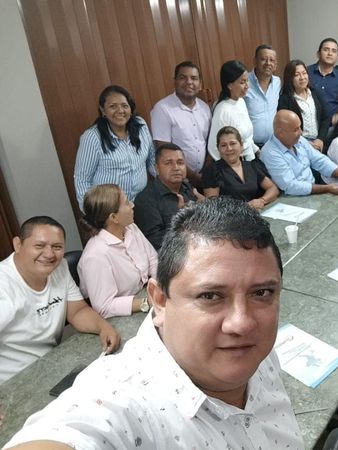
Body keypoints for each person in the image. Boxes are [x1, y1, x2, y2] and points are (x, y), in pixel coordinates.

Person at [4, 198, 303, 449]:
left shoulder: (256, 355)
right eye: (210, 296)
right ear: (159, 301)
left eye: (262, 293)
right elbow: (75, 428)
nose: (242, 324)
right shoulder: (124, 398)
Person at [0, 216, 120, 385]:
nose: (49, 254)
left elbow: (77, 311)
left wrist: (103, 327)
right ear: (18, 244)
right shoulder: (4, 285)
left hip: (52, 365)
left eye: (57, 247)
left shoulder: (60, 267)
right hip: (15, 382)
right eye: (39, 246)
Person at [78, 184, 158, 318]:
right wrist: (146, 303)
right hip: (121, 316)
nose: (132, 205)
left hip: (146, 293)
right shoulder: (95, 255)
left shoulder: (131, 228)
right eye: (126, 203)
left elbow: (153, 259)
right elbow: (104, 307)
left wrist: (157, 285)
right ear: (114, 217)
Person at [74, 85, 155, 209]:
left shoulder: (140, 126)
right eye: (113, 106)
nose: (120, 111)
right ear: (103, 110)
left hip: (142, 203)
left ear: (131, 109)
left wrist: (168, 183)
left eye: (125, 106)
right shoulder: (92, 137)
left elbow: (152, 160)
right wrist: (92, 212)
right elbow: (82, 180)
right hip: (110, 209)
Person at [260, 110, 338, 196]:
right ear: (280, 133)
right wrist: (327, 188)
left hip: (312, 191)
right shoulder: (270, 153)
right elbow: (290, 186)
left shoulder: (299, 140)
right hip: (289, 199)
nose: (301, 132)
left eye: (300, 127)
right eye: (296, 130)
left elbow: (319, 160)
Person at [150, 61, 212, 189]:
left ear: (200, 83)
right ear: (175, 82)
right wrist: (194, 177)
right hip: (177, 182)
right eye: (183, 77)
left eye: (194, 78)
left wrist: (205, 173)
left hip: (203, 177)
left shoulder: (204, 108)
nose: (189, 82)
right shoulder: (162, 109)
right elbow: (164, 150)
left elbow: (209, 143)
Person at [134, 143, 205, 249]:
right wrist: (182, 220)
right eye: (168, 163)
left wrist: (205, 208)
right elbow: (156, 243)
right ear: (157, 168)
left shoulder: (189, 189)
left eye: (180, 163)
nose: (176, 168)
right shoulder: (145, 200)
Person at [202, 126, 279, 209]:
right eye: (223, 145)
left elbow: (273, 188)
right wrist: (245, 207)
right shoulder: (212, 171)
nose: (229, 148)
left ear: (241, 145)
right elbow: (213, 205)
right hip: (231, 216)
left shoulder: (252, 166)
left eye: (233, 143)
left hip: (257, 212)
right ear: (218, 149)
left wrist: (262, 200)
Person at [208, 60, 257, 162]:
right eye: (242, 82)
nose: (247, 86)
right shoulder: (222, 110)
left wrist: (257, 151)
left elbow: (246, 138)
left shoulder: (241, 102)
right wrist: (232, 167)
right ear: (230, 85)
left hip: (250, 159)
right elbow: (213, 148)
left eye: (247, 81)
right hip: (236, 163)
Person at [278, 59, 329, 152]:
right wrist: (305, 143)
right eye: (297, 75)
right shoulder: (285, 99)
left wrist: (320, 139)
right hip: (297, 144)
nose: (302, 77)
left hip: (317, 142)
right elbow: (286, 128)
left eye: (304, 73)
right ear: (290, 78)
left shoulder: (315, 93)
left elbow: (325, 118)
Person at [308, 38, 338, 126]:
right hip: (308, 124)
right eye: (326, 50)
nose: (330, 53)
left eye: (334, 51)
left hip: (331, 126)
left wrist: (337, 117)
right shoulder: (306, 73)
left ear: (337, 56)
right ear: (318, 54)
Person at [244, 45, 281, 147]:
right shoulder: (244, 82)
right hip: (250, 146)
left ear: (275, 65)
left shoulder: (277, 82)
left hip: (273, 143)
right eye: (263, 59)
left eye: (272, 60)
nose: (268, 63)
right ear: (255, 61)